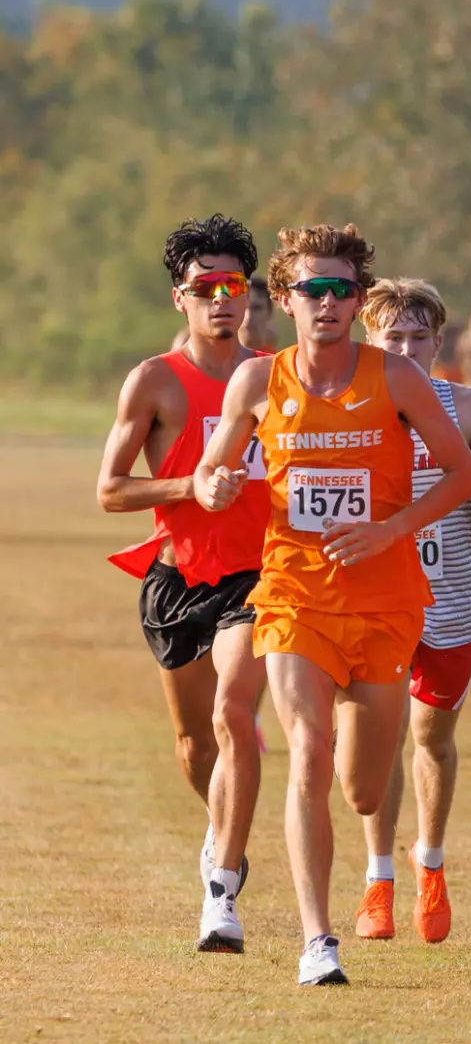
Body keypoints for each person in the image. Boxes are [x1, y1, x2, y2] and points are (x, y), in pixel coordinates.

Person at [196, 223, 471, 986]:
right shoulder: (258, 382)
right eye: (312, 290)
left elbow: (460, 475)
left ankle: (376, 863)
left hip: (385, 601)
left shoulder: (396, 379)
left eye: (341, 290)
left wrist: (390, 526)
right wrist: (214, 484)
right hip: (292, 594)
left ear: (358, 300)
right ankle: (317, 941)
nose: (327, 303)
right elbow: (210, 470)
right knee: (308, 753)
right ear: (284, 298)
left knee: (360, 783)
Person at [99, 215, 270, 953]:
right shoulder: (155, 382)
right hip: (177, 582)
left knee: (237, 716)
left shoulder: (273, 375)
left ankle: (221, 891)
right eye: (206, 288)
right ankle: (220, 827)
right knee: (195, 743)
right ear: (181, 298)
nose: (222, 300)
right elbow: (110, 490)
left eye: (234, 286)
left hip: (259, 579)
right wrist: (189, 487)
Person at [350, 279, 471, 945]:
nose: (406, 348)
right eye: (392, 337)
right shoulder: (348, 408)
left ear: (439, 342)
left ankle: (428, 862)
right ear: (370, 341)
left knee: (431, 739)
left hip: (449, 605)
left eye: (418, 337)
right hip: (374, 604)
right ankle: (377, 878)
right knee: (377, 741)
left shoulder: (467, 409)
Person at [241, 278, 279, 352]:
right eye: (242, 308)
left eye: (256, 308)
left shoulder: (277, 361)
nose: (248, 317)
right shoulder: (214, 361)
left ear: (270, 312)